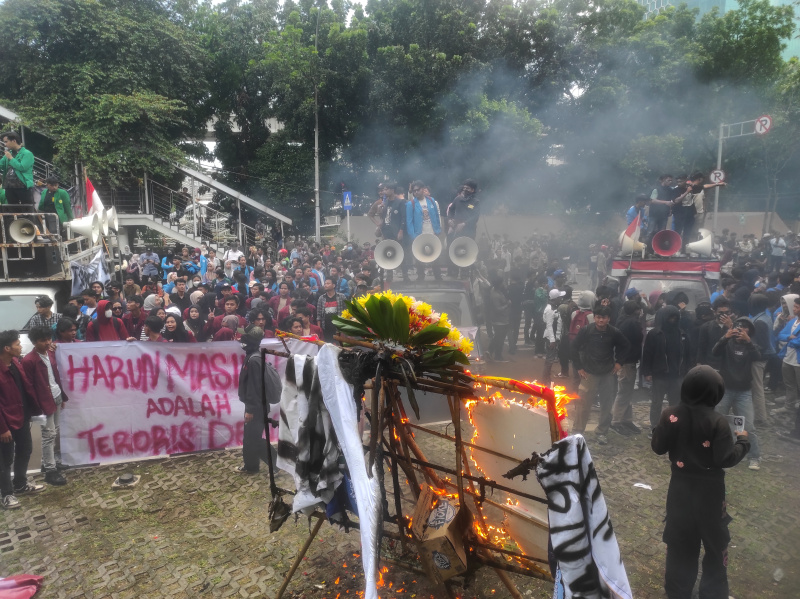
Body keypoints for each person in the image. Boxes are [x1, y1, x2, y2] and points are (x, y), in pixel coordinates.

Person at [651, 365, 750, 599]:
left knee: (680, 543)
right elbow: (724, 458)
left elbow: (658, 447)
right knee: (715, 545)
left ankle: (677, 591)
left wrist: (663, 425)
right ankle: (713, 593)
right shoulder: (718, 423)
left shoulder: (670, 415)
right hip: (710, 494)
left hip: (679, 491)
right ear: (716, 393)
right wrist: (743, 442)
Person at [570, 304, 630, 443]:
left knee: (606, 405)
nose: (600, 321)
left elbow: (626, 346)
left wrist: (619, 363)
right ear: (594, 318)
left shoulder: (614, 332)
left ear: (609, 319)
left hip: (608, 373)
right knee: (583, 404)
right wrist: (579, 367)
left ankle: (602, 432)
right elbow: (573, 348)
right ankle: (577, 433)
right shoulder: (586, 331)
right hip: (589, 373)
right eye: (598, 317)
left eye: (604, 318)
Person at [0, 330, 45, 509]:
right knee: (5, 459)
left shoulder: (16, 363)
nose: (21, 346)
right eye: (18, 344)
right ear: (7, 348)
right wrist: (2, 428)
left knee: (25, 449)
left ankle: (20, 484)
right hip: (6, 423)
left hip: (22, 416)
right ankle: (7, 494)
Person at [711, 317, 762, 470]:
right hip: (725, 389)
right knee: (717, 422)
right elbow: (715, 352)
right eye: (739, 326)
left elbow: (758, 357)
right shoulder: (727, 343)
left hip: (744, 392)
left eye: (746, 328)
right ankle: (714, 451)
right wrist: (725, 337)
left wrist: (749, 342)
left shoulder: (751, 346)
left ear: (750, 331)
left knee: (748, 426)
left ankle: (754, 456)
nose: (741, 330)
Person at [22, 326, 69, 486]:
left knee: (54, 431)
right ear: (34, 342)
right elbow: (29, 387)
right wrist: (37, 408)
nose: (48, 342)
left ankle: (48, 462)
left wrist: (61, 396)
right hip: (43, 403)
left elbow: (55, 376)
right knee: (48, 435)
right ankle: (50, 470)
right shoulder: (29, 360)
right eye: (43, 340)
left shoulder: (49, 353)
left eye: (49, 339)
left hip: (55, 396)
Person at [236, 326, 282, 474]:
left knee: (253, 439)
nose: (241, 340)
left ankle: (276, 464)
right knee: (250, 438)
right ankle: (251, 467)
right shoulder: (253, 356)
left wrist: (250, 409)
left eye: (244, 338)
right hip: (256, 406)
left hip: (256, 407)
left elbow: (255, 388)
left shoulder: (254, 360)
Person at [642, 306, 690, 436]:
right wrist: (647, 372)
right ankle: (655, 427)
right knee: (657, 402)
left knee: (675, 404)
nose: (672, 320)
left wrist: (687, 371)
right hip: (659, 375)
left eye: (675, 318)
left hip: (677, 375)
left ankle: (673, 426)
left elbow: (688, 355)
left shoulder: (682, 334)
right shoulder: (655, 334)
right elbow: (647, 354)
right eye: (670, 318)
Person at [610, 300, 644, 436]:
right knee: (624, 392)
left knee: (627, 392)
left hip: (622, 360)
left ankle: (626, 419)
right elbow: (639, 338)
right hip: (628, 361)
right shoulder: (633, 323)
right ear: (636, 311)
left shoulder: (621, 320)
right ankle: (616, 421)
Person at [776, 295, 800, 442]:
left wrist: (792, 339)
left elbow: (796, 341)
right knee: (789, 385)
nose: (795, 309)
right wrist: (790, 338)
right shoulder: (792, 321)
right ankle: (789, 406)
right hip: (788, 358)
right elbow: (781, 335)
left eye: (797, 307)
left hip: (798, 361)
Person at [696, 298, 733, 369]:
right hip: (713, 365)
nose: (724, 315)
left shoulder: (735, 325)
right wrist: (700, 364)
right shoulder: (706, 327)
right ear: (714, 312)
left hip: (730, 366)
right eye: (720, 313)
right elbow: (701, 348)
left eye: (727, 312)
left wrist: (731, 326)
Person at [0, 131, 35, 209]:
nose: (5, 144)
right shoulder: (9, 154)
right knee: (12, 210)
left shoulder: (27, 153)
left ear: (14, 141)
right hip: (9, 187)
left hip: (23, 186)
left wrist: (11, 158)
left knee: (27, 210)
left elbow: (22, 167)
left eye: (6, 141)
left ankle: (28, 221)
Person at [542, 289, 564, 384]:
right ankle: (545, 379)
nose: (561, 298)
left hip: (554, 336)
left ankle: (546, 377)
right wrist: (552, 340)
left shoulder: (553, 307)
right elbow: (549, 325)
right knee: (550, 359)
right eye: (559, 297)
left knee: (550, 358)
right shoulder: (550, 309)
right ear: (555, 299)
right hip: (551, 337)